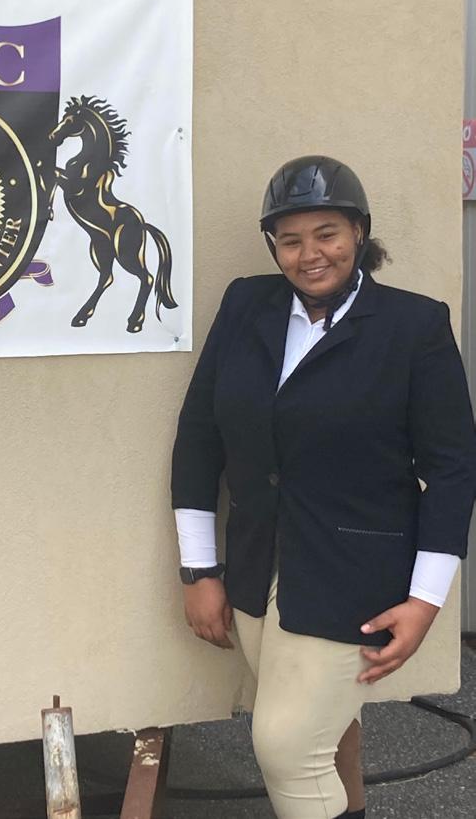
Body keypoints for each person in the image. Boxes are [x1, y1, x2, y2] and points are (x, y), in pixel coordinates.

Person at [170, 156, 476, 819]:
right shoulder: (245, 305)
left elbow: (453, 467)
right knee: (326, 735)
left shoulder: (413, 327)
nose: (309, 254)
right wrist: (199, 568)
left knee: (287, 747)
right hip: (257, 565)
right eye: (290, 239)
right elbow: (198, 437)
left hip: (356, 579)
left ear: (358, 232)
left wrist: (425, 600)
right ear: (272, 247)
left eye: (327, 233)